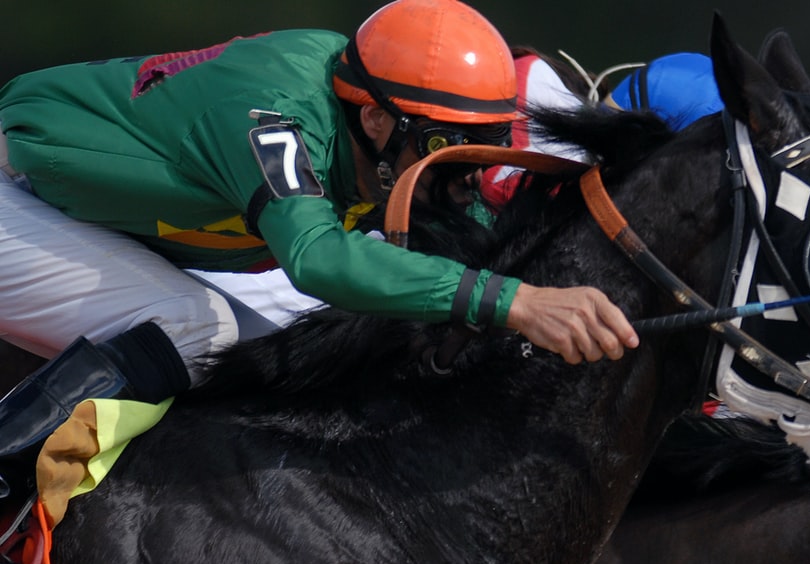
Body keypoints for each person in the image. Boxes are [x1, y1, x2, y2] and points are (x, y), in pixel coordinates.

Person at [0, 0, 637, 529]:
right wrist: (513, 300)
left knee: (274, 351)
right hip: (15, 194)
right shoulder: (271, 115)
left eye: (483, 147)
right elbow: (317, 259)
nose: (464, 173)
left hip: (66, 213)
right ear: (375, 118)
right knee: (197, 327)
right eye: (446, 145)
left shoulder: (373, 117)